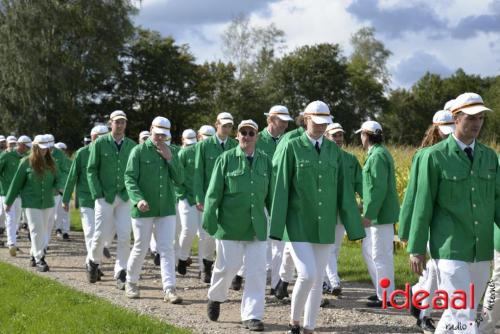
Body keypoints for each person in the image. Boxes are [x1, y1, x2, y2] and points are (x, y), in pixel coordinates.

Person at [407, 92, 499, 333]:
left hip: (480, 249)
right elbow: (422, 204)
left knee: (456, 313)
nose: (477, 123)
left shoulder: (489, 157)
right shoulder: (434, 156)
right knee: (464, 311)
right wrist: (416, 248)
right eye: (470, 118)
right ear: (456, 119)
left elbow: (497, 201)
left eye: (480, 117)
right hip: (449, 249)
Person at [270, 101, 365, 334]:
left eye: (326, 123)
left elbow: (344, 191)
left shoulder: (335, 152)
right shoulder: (291, 146)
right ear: (306, 119)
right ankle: (294, 321)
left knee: (318, 278)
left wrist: (354, 225)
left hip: (325, 224)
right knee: (308, 274)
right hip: (298, 222)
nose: (323, 127)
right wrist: (276, 226)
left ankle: (309, 326)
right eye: (318, 122)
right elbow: (280, 187)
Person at [204, 119, 272, 331]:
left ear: (257, 137)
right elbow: (213, 194)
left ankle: (252, 315)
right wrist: (210, 221)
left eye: (251, 133)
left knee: (257, 272)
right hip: (230, 224)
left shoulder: (265, 161)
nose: (247, 136)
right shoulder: (225, 159)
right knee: (226, 268)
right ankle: (215, 297)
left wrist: (277, 222)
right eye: (243, 132)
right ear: (237, 135)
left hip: (257, 226)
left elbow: (271, 196)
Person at [398, 105, 455, 332]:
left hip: (449, 224)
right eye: (444, 130)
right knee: (436, 267)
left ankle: (416, 296)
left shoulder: (454, 154)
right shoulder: (424, 155)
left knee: (433, 267)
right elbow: (414, 195)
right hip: (430, 223)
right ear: (435, 129)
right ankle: (424, 313)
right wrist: (406, 229)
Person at [124, 116, 184, 303]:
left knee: (167, 248)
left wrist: (170, 159)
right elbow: (129, 178)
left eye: (163, 136)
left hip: (166, 207)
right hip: (143, 209)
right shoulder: (138, 151)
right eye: (157, 134)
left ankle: (169, 289)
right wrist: (138, 199)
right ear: (151, 130)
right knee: (141, 247)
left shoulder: (172, 151)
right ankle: (131, 282)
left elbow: (180, 179)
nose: (160, 138)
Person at [86, 110, 136, 289]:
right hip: (104, 196)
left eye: (123, 122)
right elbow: (91, 170)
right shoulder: (99, 143)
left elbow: (135, 171)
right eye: (117, 122)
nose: (120, 125)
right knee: (100, 234)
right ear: (110, 123)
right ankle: (93, 261)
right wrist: (97, 193)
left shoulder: (131, 145)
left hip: (124, 196)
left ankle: (121, 271)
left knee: (124, 235)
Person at [356, 120, 399, 308]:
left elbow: (377, 189)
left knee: (380, 255)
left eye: (361, 135)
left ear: (366, 135)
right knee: (371, 253)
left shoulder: (377, 157)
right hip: (380, 215)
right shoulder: (378, 153)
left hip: (379, 216)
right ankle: (382, 292)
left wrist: (369, 214)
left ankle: (387, 296)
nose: (360, 138)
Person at [4, 135, 63, 271]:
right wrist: (9, 201)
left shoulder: (52, 162)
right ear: (35, 147)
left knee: (43, 230)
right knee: (36, 230)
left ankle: (32, 255)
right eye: (41, 148)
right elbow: (16, 183)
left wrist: (60, 186)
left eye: (46, 149)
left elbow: (59, 178)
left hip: (48, 201)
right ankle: (39, 258)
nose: (44, 151)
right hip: (31, 202)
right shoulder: (25, 162)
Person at [194, 112, 238, 283]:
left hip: (228, 198)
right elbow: (198, 173)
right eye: (224, 125)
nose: (226, 129)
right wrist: (199, 197)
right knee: (207, 234)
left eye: (229, 126)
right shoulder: (204, 146)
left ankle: (229, 271)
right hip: (209, 197)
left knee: (227, 236)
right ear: (216, 124)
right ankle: (206, 265)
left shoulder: (235, 145)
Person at [255, 105, 293, 295]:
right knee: (260, 241)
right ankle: (243, 274)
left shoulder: (290, 140)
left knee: (278, 241)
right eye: (282, 120)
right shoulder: (257, 139)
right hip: (260, 198)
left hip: (280, 198)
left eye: (287, 121)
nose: (286, 124)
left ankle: (276, 286)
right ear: (271, 120)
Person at [323, 122, 363, 296]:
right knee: (328, 247)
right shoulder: (321, 157)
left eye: (340, 135)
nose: (338, 138)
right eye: (334, 135)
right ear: (326, 136)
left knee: (335, 248)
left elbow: (361, 184)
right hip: (324, 209)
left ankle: (325, 282)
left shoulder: (351, 159)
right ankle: (334, 281)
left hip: (343, 210)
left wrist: (364, 202)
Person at [62, 125, 109, 269]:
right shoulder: (82, 153)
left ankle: (92, 261)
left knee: (100, 234)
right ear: (92, 137)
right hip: (86, 199)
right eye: (97, 137)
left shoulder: (111, 154)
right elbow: (72, 177)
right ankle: (95, 265)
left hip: (104, 199)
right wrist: (65, 199)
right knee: (90, 231)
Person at [176, 129, 204, 275]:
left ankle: (203, 267)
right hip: (187, 197)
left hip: (204, 198)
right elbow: (176, 176)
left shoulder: (205, 152)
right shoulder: (183, 153)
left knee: (205, 234)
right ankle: (182, 257)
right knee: (189, 230)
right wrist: (182, 194)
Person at [0, 135, 31, 256]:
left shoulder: (27, 158)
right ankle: (11, 243)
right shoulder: (6, 155)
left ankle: (12, 241)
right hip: (6, 193)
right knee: (10, 217)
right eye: (27, 147)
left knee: (17, 218)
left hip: (20, 194)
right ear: (21, 145)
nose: (28, 149)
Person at [53, 141, 71, 240]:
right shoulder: (52, 161)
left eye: (62, 150)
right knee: (56, 211)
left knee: (66, 211)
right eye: (59, 150)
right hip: (55, 190)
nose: (61, 152)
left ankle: (66, 231)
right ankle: (58, 229)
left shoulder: (69, 162)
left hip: (66, 189)